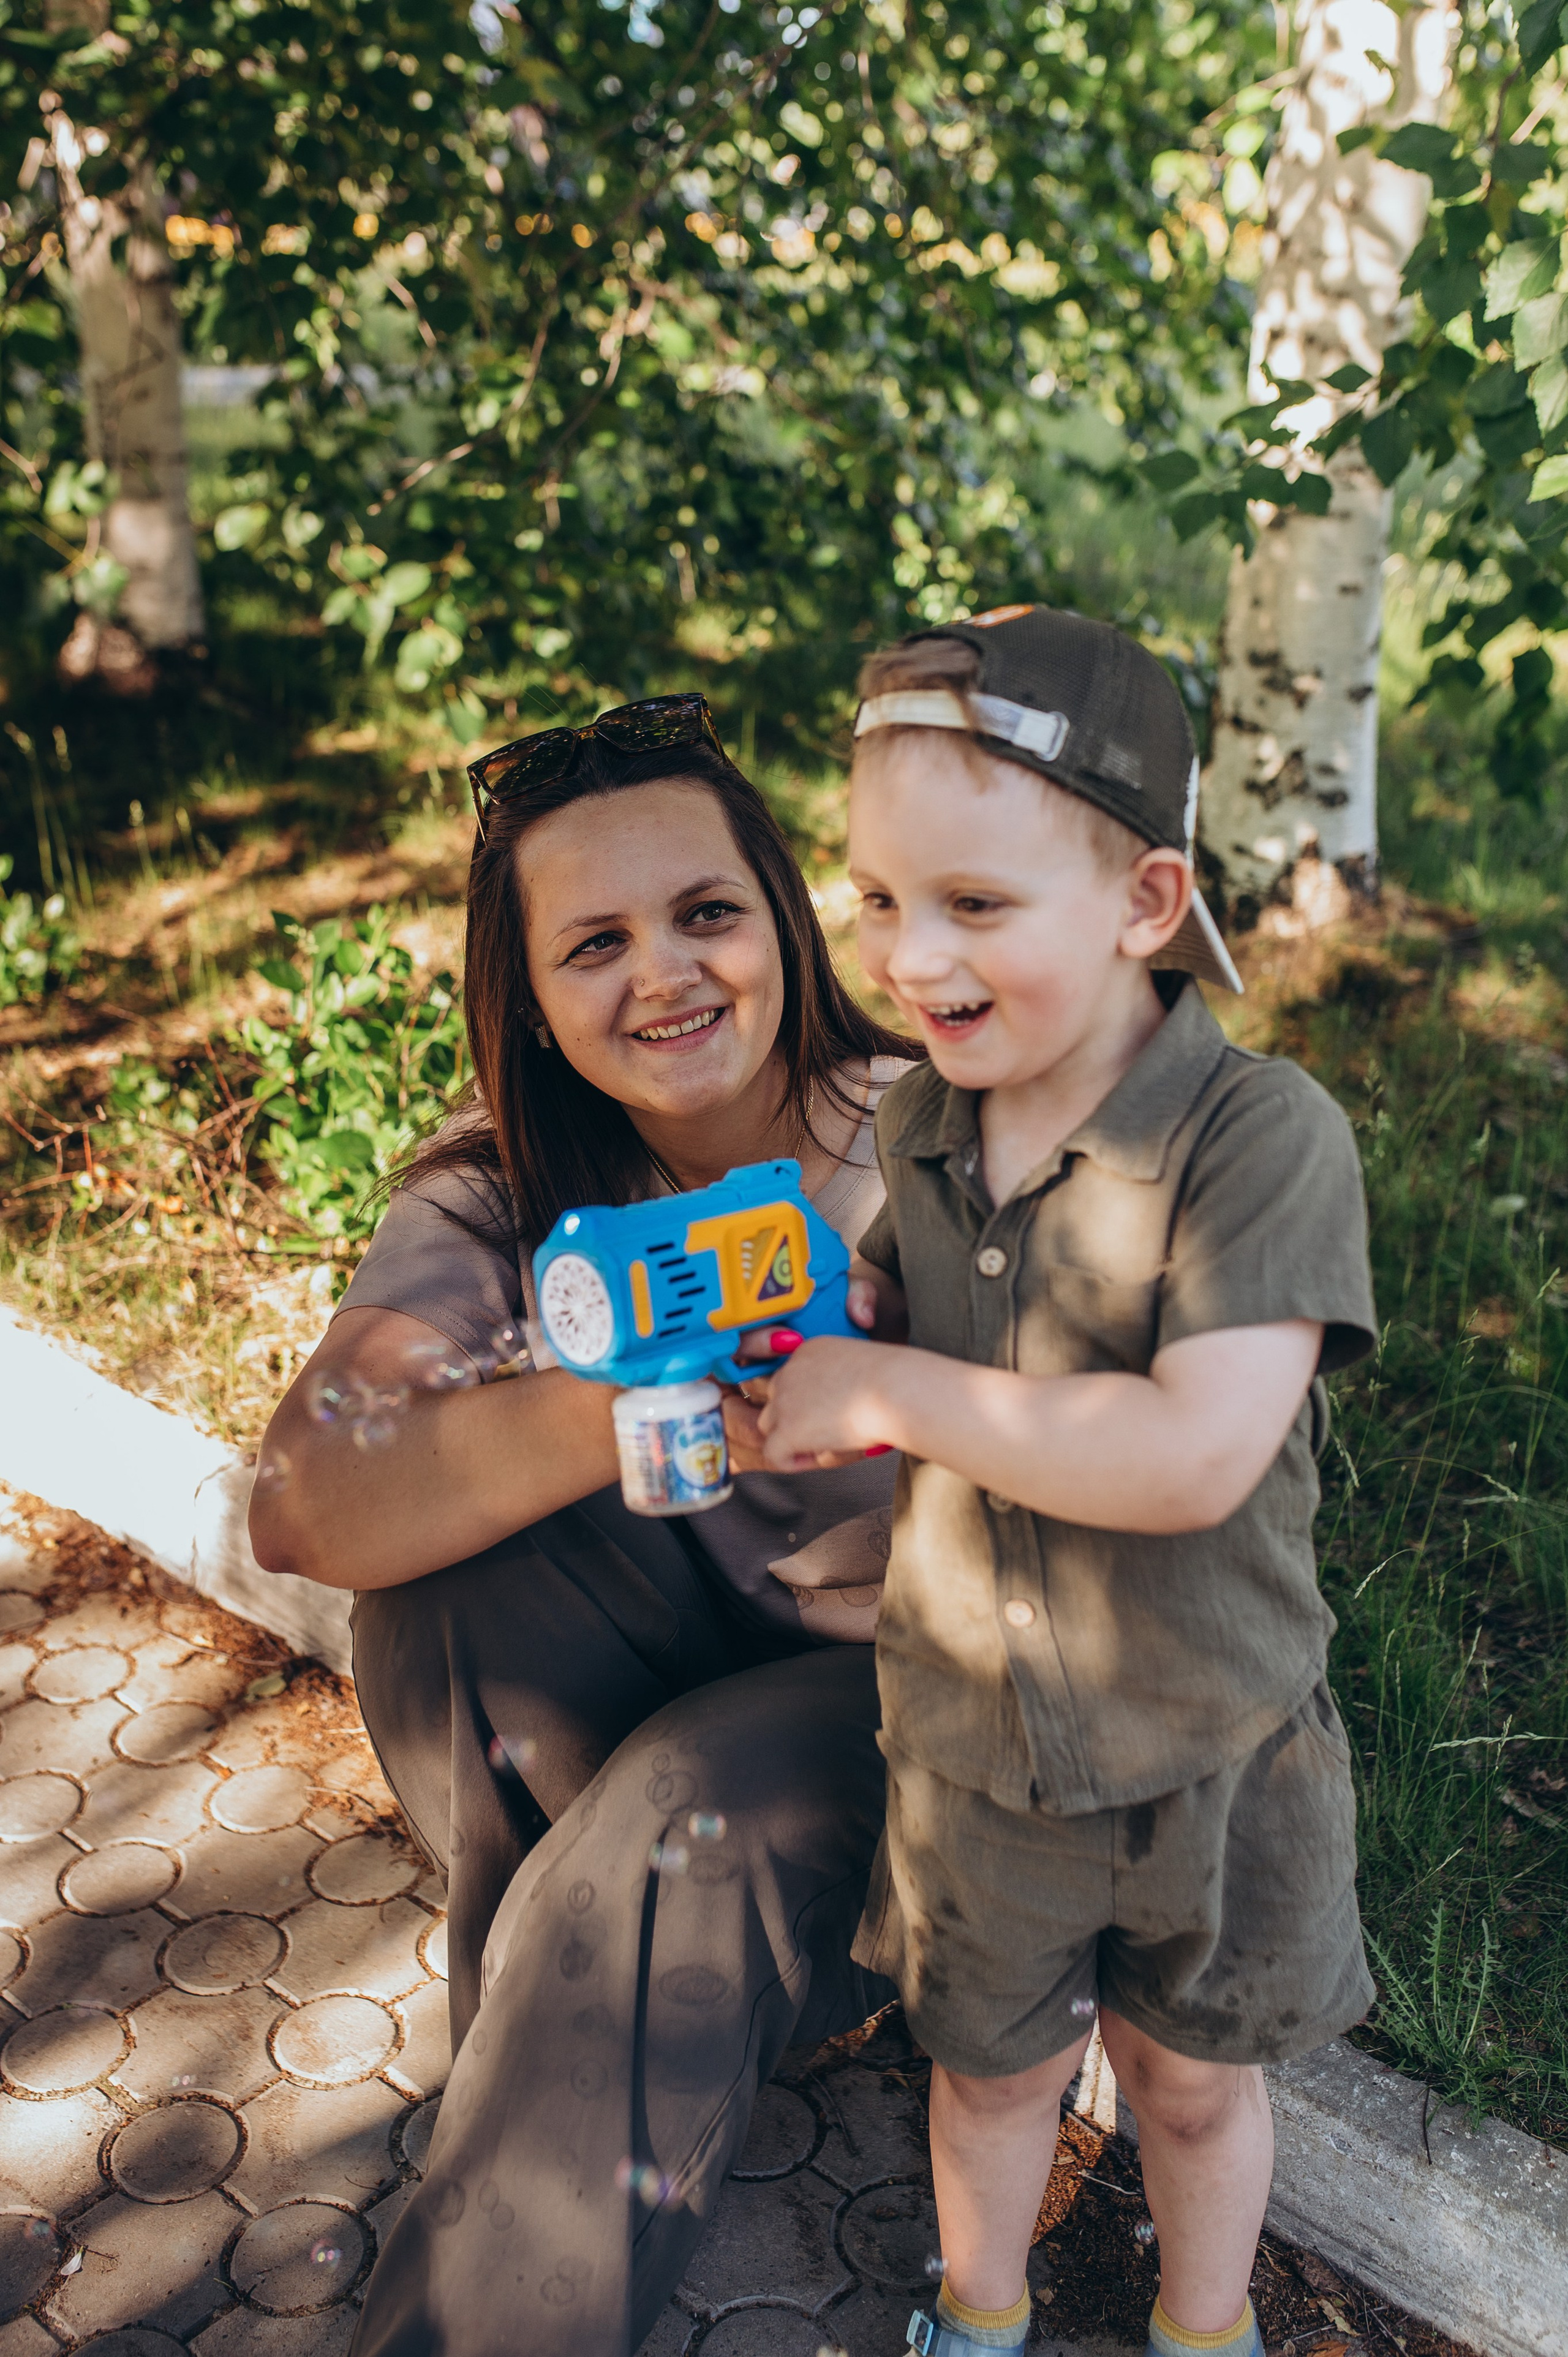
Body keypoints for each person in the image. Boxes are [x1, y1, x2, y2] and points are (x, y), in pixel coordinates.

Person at [249, 693, 916, 2355]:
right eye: (594, 943)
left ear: (783, 919)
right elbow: (305, 1491)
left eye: (706, 914)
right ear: (535, 1004)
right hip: (646, 1739)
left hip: (905, 1716)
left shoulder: (946, 1145)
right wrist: (610, 1393)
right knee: (437, 1599)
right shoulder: (504, 1198)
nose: (666, 976)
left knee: (689, 1808)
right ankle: (599, 2062)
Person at [755, 608, 1379, 2357]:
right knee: (993, 2080)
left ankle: (1203, 2328)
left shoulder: (1260, 1143)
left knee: (1187, 2092)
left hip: (1213, 1750)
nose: (907, 954)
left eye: (973, 905)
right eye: (877, 898)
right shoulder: (921, 1124)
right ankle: (978, 2314)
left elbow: (1190, 1454)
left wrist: (893, 1387)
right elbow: (923, 1338)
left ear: (1144, 904)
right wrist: (831, 1339)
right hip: (981, 1751)